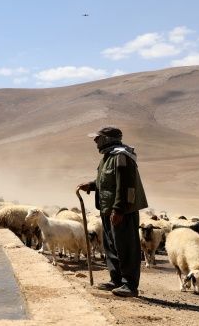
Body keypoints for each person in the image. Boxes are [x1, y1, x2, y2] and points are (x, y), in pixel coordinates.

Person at [76, 126, 148, 297]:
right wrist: (92, 185)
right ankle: (116, 280)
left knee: (126, 247)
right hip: (108, 209)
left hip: (121, 211)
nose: (95, 141)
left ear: (107, 139)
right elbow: (107, 181)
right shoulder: (108, 157)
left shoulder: (121, 157)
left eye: (98, 138)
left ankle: (129, 285)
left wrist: (119, 210)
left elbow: (126, 186)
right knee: (111, 247)